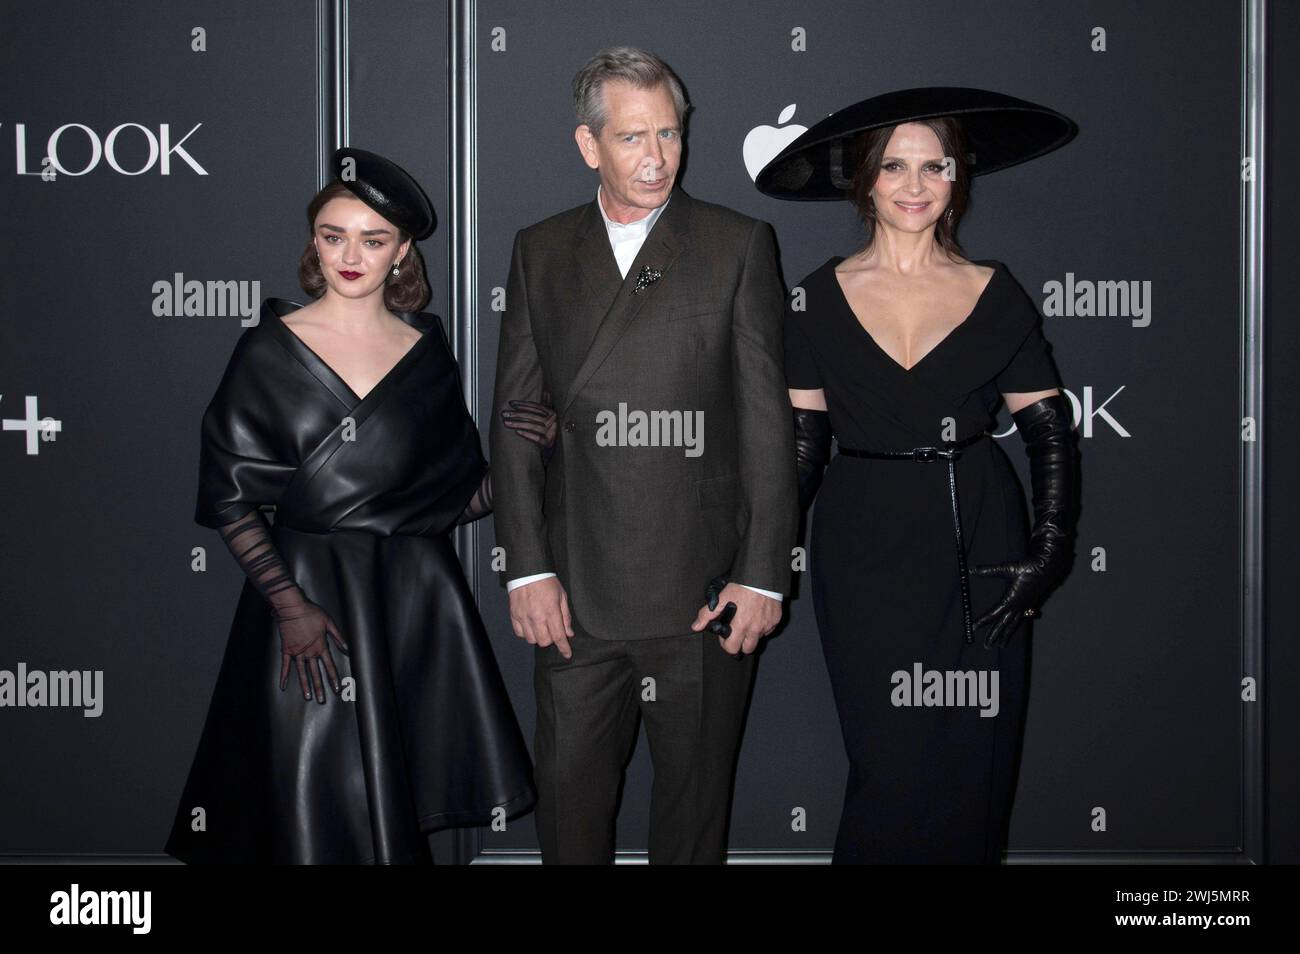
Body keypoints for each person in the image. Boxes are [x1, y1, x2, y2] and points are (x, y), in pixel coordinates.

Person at [165, 147, 555, 864]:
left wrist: (527, 459)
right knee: (310, 804)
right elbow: (229, 497)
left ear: (402, 250)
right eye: (332, 235)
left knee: (387, 806)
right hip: (308, 598)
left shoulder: (426, 348)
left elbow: (451, 501)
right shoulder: (268, 349)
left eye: (373, 239)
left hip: (407, 600)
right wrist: (288, 606)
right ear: (313, 241)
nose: (351, 255)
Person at [488, 47, 797, 864]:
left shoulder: (736, 244)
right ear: (589, 146)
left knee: (693, 822)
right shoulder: (540, 250)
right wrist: (526, 567)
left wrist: (761, 573)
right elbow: (515, 422)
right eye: (632, 138)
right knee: (570, 815)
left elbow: (769, 426)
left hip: (702, 597)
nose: (656, 158)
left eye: (669, 134)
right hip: (574, 595)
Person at [756, 87, 1081, 863]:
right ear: (865, 179)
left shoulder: (992, 291)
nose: (913, 185)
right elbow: (802, 452)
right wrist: (755, 564)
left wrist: (1051, 547)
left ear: (955, 180)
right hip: (863, 547)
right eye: (894, 166)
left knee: (974, 770)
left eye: (934, 166)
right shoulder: (814, 297)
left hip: (980, 540)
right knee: (889, 765)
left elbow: (1049, 433)